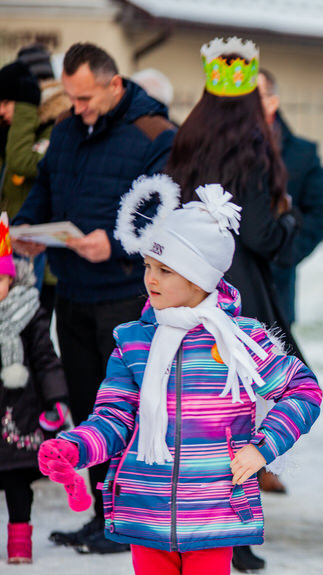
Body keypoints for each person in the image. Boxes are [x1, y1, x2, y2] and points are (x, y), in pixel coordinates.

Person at [36, 178, 321, 575]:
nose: (150, 279)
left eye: (165, 270)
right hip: (145, 511)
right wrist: (76, 447)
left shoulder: (240, 339)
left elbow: (304, 392)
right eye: (149, 266)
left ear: (199, 278)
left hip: (214, 511)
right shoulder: (134, 341)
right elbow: (114, 418)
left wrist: (262, 447)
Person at [11, 42, 176, 554]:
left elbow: (165, 211)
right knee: (89, 406)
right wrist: (26, 226)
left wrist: (117, 240)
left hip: (126, 294)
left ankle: (128, 520)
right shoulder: (64, 130)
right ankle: (104, 516)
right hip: (72, 291)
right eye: (70, 97)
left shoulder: (156, 134)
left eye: (84, 97)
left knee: (125, 405)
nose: (76, 107)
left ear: (113, 83)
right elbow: (45, 189)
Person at [163, 37, 299, 572]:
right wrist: (289, 223)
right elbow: (263, 235)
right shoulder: (252, 145)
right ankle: (233, 540)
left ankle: (190, 528)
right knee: (237, 418)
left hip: (184, 290)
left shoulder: (185, 139)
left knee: (192, 413)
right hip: (235, 296)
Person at [0, 215, 68, 564]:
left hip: (20, 413)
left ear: (11, 276)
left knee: (16, 484)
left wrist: (57, 398)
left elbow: (46, 359)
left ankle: (20, 541)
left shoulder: (29, 311)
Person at [258, 68, 323, 353]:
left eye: (256, 95)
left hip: (276, 283)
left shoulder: (301, 153)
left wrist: (288, 252)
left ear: (272, 102)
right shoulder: (221, 148)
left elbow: (320, 213)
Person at [0, 56, 69, 307]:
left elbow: (22, 162)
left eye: (7, 102)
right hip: (9, 254)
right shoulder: (14, 131)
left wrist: (24, 113)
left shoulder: (53, 126)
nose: (2, 110)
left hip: (40, 259)